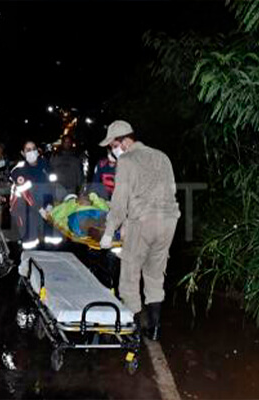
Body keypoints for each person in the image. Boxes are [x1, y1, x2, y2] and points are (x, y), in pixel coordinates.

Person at [99, 120, 180, 341]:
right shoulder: (162, 156)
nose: (113, 150)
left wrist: (109, 231)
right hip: (169, 221)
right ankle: (154, 328)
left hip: (143, 222)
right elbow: (171, 189)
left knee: (130, 275)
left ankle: (132, 332)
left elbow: (120, 199)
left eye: (114, 144)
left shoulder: (126, 160)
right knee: (155, 274)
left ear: (125, 141)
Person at [10, 140, 61, 249]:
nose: (31, 152)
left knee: (53, 238)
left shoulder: (45, 165)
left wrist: (49, 205)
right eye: (28, 150)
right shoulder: (19, 170)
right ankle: (28, 260)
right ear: (23, 153)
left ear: (38, 151)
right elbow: (26, 194)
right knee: (30, 242)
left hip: (45, 205)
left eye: (33, 149)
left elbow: (50, 187)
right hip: (26, 209)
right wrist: (40, 209)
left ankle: (52, 257)